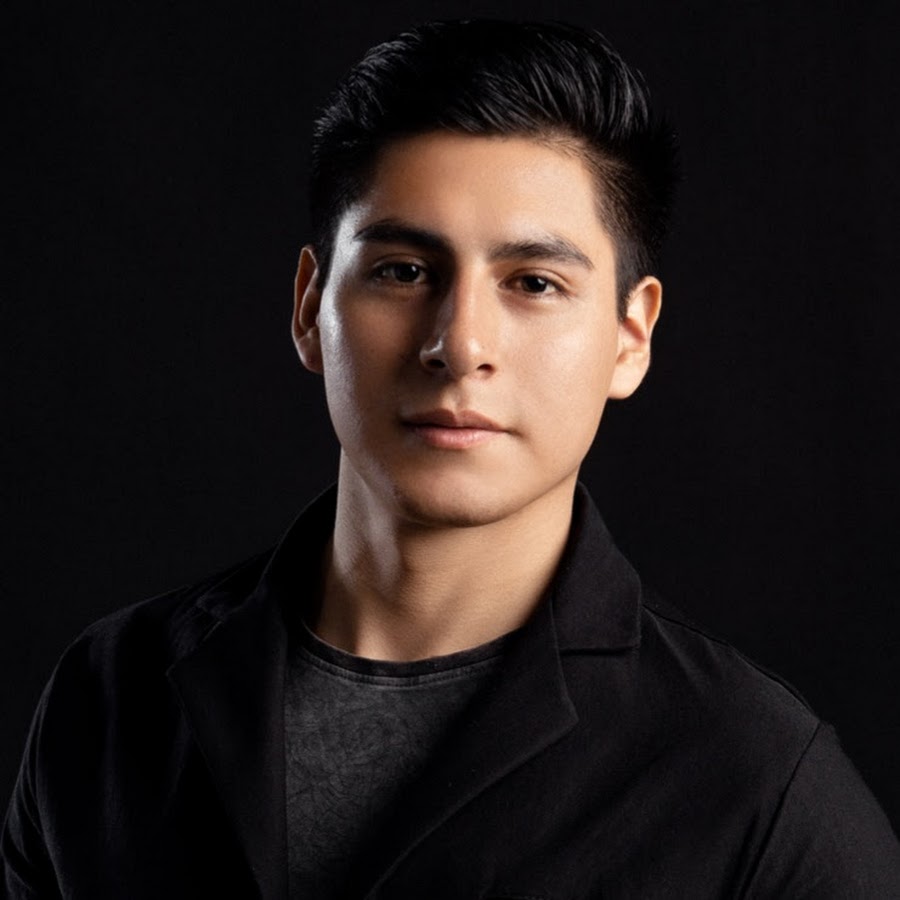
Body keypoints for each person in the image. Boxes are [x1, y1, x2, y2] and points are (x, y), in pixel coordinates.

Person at [3, 19, 899, 899]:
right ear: (310, 306)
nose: (459, 344)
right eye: (402, 270)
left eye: (534, 283)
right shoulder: (108, 697)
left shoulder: (757, 787)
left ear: (631, 337)